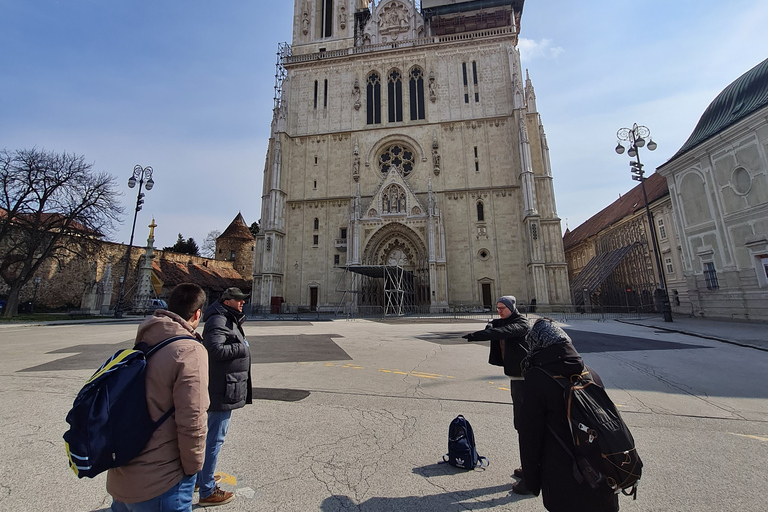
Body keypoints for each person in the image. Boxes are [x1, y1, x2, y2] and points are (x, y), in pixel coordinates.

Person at [107, 283, 209, 512]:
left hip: (124, 470)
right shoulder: (189, 350)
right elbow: (192, 417)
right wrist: (193, 468)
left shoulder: (145, 342)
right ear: (197, 314)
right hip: (163, 480)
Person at [518, 318, 620, 512]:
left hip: (565, 476)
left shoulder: (537, 379)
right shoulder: (591, 373)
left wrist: (531, 481)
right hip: (602, 473)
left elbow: (530, 436)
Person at [462, 295, 530, 489]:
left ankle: (531, 476)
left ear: (511, 308)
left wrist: (478, 335)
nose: (498, 310)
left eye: (502, 308)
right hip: (517, 379)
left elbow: (506, 331)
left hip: (526, 382)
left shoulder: (521, 324)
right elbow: (498, 326)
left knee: (526, 427)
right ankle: (528, 467)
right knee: (521, 425)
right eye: (497, 307)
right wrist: (490, 327)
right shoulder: (505, 320)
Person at [197, 287, 253, 507]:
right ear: (227, 301)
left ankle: (200, 478)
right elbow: (215, 350)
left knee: (212, 437)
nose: (242, 303)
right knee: (214, 439)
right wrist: (243, 347)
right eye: (238, 300)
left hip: (226, 384)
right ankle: (207, 489)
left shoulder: (226, 318)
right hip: (222, 387)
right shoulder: (220, 319)